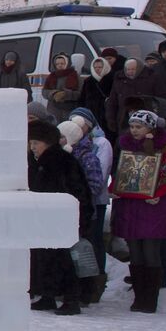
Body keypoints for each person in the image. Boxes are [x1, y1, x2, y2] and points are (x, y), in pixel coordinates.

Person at [110, 110, 166, 313]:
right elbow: (122, 174)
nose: (134, 131)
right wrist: (114, 189)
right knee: (136, 253)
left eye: (139, 127)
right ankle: (138, 297)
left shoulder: (165, 150)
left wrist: (160, 193)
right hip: (131, 206)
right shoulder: (127, 148)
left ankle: (150, 300)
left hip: (153, 207)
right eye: (132, 127)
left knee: (151, 252)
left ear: (150, 128)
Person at [27, 120, 90, 316]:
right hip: (44, 219)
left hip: (63, 220)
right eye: (31, 143)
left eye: (36, 143)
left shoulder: (62, 161)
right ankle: (48, 295)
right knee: (45, 258)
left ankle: (71, 299)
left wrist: (79, 219)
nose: (33, 147)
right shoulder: (36, 163)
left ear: (48, 142)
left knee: (64, 260)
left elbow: (78, 192)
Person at [59, 119, 106, 304]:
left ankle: (88, 291)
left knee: (83, 253)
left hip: (84, 213)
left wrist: (76, 198)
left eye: (62, 136)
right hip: (66, 213)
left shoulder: (87, 157)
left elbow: (95, 185)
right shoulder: (63, 156)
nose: (60, 140)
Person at [68, 107, 113, 290]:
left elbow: (99, 174)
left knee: (94, 241)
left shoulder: (101, 144)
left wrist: (86, 195)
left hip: (95, 201)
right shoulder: (70, 144)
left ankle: (96, 282)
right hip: (77, 201)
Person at [106, 57, 166, 134]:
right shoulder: (119, 79)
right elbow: (112, 101)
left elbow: (161, 99)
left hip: (146, 120)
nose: (130, 72)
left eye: (133, 69)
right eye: (128, 69)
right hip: (123, 120)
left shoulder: (152, 77)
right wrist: (111, 119)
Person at [41, 52, 81, 122]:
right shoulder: (51, 77)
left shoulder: (75, 76)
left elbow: (80, 93)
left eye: (62, 63)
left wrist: (66, 94)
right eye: (57, 64)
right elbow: (44, 92)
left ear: (67, 63)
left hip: (69, 110)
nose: (60, 66)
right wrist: (53, 94)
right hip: (53, 110)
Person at [78, 58, 112, 133]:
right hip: (91, 114)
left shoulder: (111, 80)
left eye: (100, 67)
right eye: (95, 67)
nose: (97, 69)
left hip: (107, 114)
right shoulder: (88, 81)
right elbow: (82, 98)